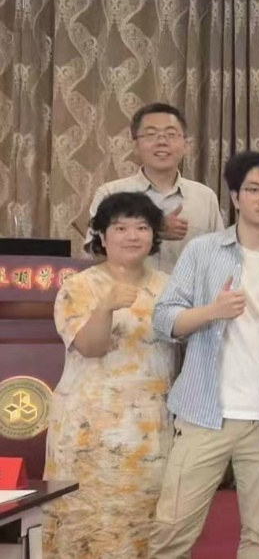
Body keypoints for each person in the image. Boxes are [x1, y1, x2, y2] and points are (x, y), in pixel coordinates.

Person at [147, 149, 259, 559]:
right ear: (236, 196)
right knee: (172, 530)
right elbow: (163, 319)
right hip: (203, 414)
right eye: (254, 189)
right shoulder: (203, 251)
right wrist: (212, 311)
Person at [43, 193, 178, 558]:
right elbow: (90, 347)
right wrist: (105, 307)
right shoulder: (78, 286)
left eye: (142, 227)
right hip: (88, 428)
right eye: (120, 228)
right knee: (86, 523)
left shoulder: (169, 286)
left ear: (154, 235)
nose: (132, 235)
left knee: (145, 524)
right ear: (101, 236)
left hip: (149, 427)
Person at [87, 103, 223, 273]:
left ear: (186, 145)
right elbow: (95, 253)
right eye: (151, 135)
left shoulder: (205, 197)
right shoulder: (110, 193)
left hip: (190, 291)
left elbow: (219, 258)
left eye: (171, 134)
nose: (162, 142)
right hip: (127, 290)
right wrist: (154, 230)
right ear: (135, 146)